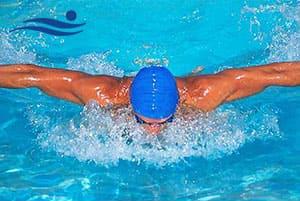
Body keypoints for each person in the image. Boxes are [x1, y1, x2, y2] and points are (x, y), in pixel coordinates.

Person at [0, 62, 299, 134]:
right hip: (117, 85)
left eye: (163, 122)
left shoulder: (204, 94)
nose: (153, 131)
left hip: (191, 84)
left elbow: (273, 74)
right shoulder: (101, 93)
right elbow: (31, 75)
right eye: (143, 121)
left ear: (177, 107)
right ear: (130, 105)